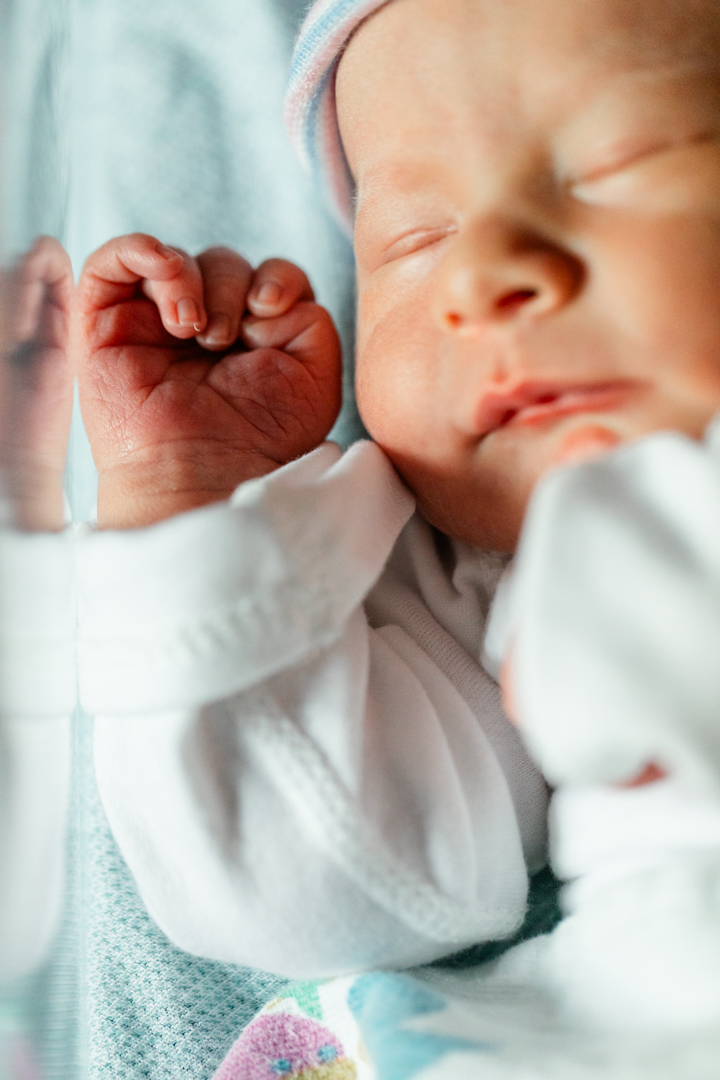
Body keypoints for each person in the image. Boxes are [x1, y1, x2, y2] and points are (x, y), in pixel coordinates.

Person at [73, 0, 720, 985]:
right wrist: (187, 489)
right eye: (413, 243)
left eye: (618, 165)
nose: (480, 276)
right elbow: (313, 891)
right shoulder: (493, 583)